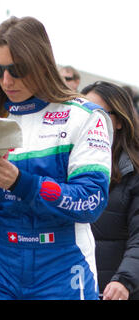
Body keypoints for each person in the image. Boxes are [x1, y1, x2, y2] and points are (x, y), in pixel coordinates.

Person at [0, 16, 112, 300]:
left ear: (41, 63)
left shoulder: (83, 117)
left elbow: (91, 201)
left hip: (61, 262)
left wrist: (22, 183)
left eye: (17, 70)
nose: (6, 80)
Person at [81, 81, 139, 300]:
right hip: (70, 286)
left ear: (119, 122)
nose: (88, 122)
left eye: (97, 114)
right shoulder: (64, 164)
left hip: (115, 291)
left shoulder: (133, 172)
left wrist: (124, 280)